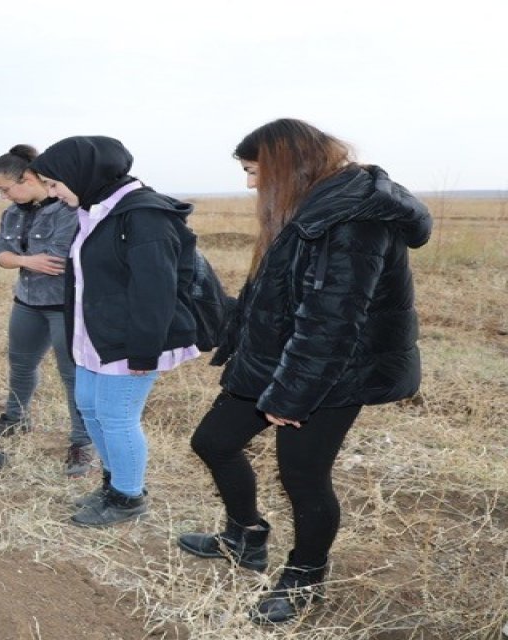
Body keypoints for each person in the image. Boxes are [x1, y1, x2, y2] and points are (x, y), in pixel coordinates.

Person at [177, 119, 430, 624]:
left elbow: (333, 319)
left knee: (304, 475)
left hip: (333, 372)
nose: (251, 183)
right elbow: (277, 294)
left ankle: (305, 577)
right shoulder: (312, 206)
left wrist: (292, 396)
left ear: (285, 165)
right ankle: (245, 537)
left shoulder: (353, 217)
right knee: (213, 441)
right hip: (281, 358)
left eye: (255, 171)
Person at [29, 136, 201, 527]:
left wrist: (144, 351)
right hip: (99, 335)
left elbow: (156, 288)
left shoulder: (142, 215)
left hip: (131, 337)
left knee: (117, 416)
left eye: (55, 184)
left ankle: (128, 497)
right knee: (89, 407)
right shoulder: (98, 209)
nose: (53, 194)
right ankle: (115, 483)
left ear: (81, 174)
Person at [0, 144, 94, 478]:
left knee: (72, 376)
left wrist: (13, 258)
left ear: (28, 178)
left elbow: (56, 261)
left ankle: (81, 442)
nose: (3, 196)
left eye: (5, 189)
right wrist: (25, 260)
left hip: (64, 307)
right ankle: (15, 419)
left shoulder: (69, 209)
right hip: (26, 302)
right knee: (20, 364)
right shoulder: (12, 214)